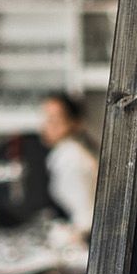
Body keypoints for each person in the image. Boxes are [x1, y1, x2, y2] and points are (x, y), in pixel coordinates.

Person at [41, 92, 99, 235]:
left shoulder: (71, 157)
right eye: (46, 119)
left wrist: (70, 236)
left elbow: (87, 214)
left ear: (74, 123)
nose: (47, 126)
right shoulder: (66, 153)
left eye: (54, 120)